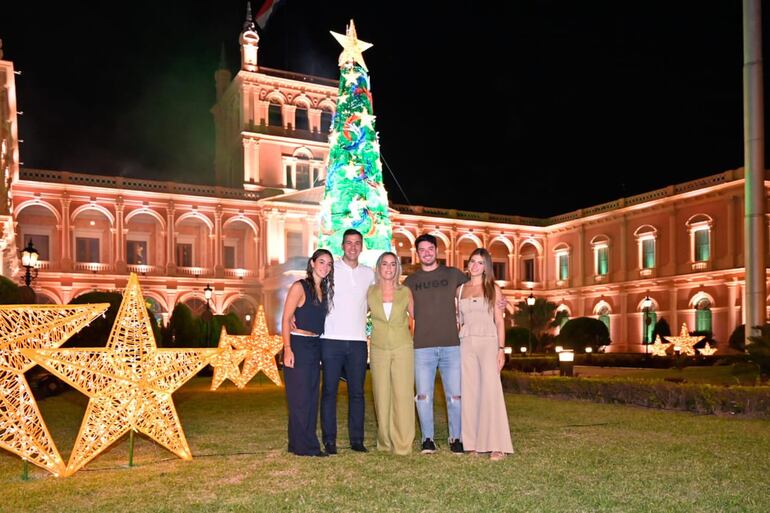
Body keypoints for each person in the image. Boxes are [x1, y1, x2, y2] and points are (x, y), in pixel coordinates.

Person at [404, 233, 469, 454]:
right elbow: (406, 309)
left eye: (430, 248)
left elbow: (476, 290)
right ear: (417, 253)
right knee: (423, 395)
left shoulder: (453, 274)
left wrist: (498, 297)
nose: (426, 253)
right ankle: (427, 439)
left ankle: (456, 438)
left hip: (452, 345)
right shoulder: (410, 281)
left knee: (455, 396)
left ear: (437, 250)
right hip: (422, 347)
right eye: (422, 250)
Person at [320, 229, 374, 454]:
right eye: (349, 243)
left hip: (358, 341)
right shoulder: (331, 269)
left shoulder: (369, 273)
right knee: (329, 391)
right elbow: (313, 291)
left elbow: (380, 298)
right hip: (331, 339)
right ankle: (330, 440)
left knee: (357, 393)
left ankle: (357, 440)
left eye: (357, 243)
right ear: (342, 245)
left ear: (362, 246)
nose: (353, 247)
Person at [457, 248, 513, 461]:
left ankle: (497, 445)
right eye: (472, 261)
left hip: (489, 342)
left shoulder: (493, 289)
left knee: (491, 391)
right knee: (469, 392)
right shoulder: (460, 290)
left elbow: (500, 321)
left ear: (486, 266)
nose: (474, 265)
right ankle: (471, 442)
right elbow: (458, 320)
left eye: (480, 262)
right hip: (466, 343)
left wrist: (501, 349)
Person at [282, 249, 334, 457]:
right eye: (321, 262)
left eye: (329, 264)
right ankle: (307, 446)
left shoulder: (324, 289)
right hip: (298, 344)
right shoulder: (299, 286)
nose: (325, 266)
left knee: (311, 397)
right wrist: (287, 349)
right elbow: (286, 319)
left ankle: (296, 443)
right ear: (312, 263)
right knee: (300, 398)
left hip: (315, 346)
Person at [367, 251, 415, 455]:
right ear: (378, 268)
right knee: (381, 395)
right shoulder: (369, 291)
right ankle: (385, 442)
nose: (389, 268)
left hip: (403, 347)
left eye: (393, 264)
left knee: (403, 395)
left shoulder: (405, 291)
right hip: (378, 348)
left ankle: (403, 444)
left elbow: (417, 317)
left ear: (397, 269)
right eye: (385, 264)